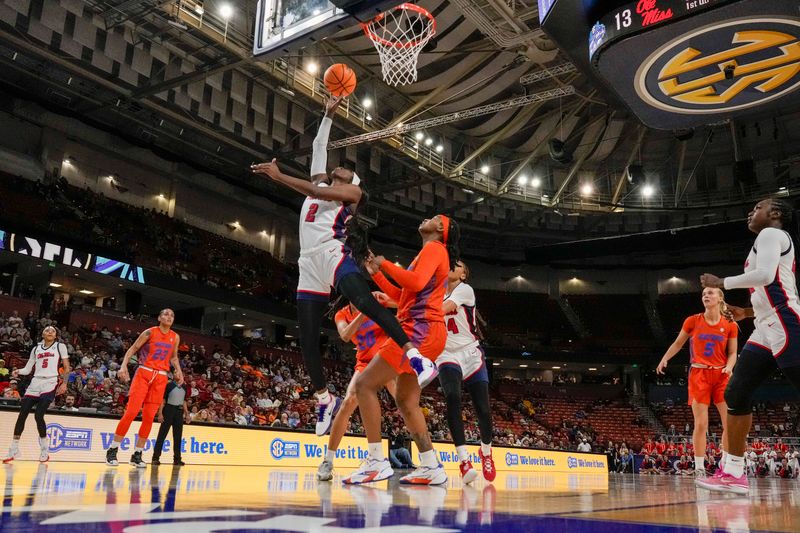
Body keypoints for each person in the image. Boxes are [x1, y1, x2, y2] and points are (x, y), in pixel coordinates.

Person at [250, 97, 436, 436]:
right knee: (306, 335)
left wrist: (278, 177)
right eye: (341, 167)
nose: (343, 166)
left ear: (355, 184)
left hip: (333, 253)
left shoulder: (351, 196)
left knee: (365, 301)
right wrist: (328, 113)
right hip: (308, 262)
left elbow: (311, 190)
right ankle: (324, 398)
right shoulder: (321, 183)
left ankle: (415, 357)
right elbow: (319, 146)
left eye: (350, 171)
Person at [345, 214, 459, 485]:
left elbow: (416, 282)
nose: (425, 218)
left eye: (433, 217)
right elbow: (404, 295)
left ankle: (376, 462)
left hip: (418, 330)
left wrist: (384, 263)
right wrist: (379, 276)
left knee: (363, 385)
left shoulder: (434, 248)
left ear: (442, 228)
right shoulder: (429, 253)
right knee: (406, 401)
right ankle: (431, 465)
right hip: (428, 331)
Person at [698, 197, 800, 495]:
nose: (751, 212)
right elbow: (775, 286)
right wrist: (747, 312)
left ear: (776, 213)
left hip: (785, 324)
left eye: (758, 208)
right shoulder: (769, 240)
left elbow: (767, 277)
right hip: (765, 325)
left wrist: (720, 282)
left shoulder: (772, 234)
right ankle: (732, 471)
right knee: (736, 392)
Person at [656, 287, 737, 479]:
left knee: (729, 424)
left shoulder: (730, 324)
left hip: (721, 375)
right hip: (699, 374)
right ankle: (699, 466)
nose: (706, 295)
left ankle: (724, 464)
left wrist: (730, 367)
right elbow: (678, 343)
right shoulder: (692, 320)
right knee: (701, 424)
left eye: (710, 293)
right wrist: (665, 358)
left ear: (720, 298)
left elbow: (733, 353)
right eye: (703, 294)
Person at [317, 294, 398, 481]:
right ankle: (328, 460)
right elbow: (345, 335)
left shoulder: (375, 298)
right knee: (348, 402)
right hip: (364, 363)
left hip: (386, 358)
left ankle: (429, 458)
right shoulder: (342, 314)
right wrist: (364, 312)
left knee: (405, 403)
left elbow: (402, 303)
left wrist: (385, 301)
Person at [436, 260, 495, 483]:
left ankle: (486, 452)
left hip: (470, 351)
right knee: (452, 397)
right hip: (446, 353)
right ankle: (464, 461)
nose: (452, 265)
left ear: (463, 275)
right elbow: (415, 303)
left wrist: (422, 310)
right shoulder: (436, 290)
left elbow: (444, 308)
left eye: (458, 265)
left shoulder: (465, 290)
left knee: (483, 410)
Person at [106, 309, 183, 467]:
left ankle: (137, 454)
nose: (169, 317)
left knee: (149, 417)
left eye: (172, 316)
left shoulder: (175, 337)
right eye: (166, 314)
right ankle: (112, 450)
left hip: (161, 376)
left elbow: (174, 356)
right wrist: (123, 366)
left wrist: (179, 371)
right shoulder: (149, 332)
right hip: (144, 372)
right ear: (159, 317)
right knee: (132, 412)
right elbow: (133, 348)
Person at [2, 326, 69, 463]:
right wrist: (18, 371)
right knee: (22, 414)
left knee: (39, 415)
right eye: (47, 330)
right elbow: (27, 369)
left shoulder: (59, 346)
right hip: (35, 382)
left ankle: (45, 448)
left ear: (56, 335)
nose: (50, 332)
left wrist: (64, 383)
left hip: (50, 382)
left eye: (53, 331)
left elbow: (67, 367)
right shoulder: (36, 349)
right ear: (42, 334)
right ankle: (14, 449)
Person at [151, 376, 190, 466]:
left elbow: (184, 401)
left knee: (178, 437)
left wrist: (187, 413)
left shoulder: (184, 386)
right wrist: (160, 413)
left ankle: (177, 459)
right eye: (176, 372)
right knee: (162, 435)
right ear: (173, 375)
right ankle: (155, 458)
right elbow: (163, 400)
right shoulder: (168, 385)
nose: (178, 374)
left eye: (179, 372)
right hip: (168, 409)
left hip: (179, 412)